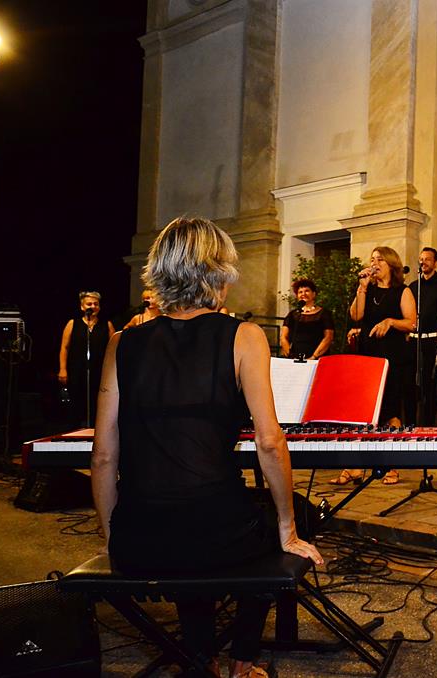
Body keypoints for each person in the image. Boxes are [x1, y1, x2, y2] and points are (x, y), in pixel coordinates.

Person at [90, 217, 323, 678]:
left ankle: (202, 658)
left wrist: (113, 535)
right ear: (218, 272)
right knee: (282, 517)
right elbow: (269, 442)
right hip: (216, 533)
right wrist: (288, 529)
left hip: (140, 538)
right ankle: (243, 660)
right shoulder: (243, 335)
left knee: (190, 522)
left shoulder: (121, 343)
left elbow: (102, 455)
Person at [341, 246, 417, 485]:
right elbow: (356, 315)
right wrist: (362, 288)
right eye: (372, 259)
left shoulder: (402, 291)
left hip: (392, 359)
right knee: (362, 412)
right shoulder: (369, 289)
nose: (374, 264)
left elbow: (411, 323)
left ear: (391, 264)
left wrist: (391, 321)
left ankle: (392, 466)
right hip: (367, 357)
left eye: (380, 259)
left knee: (389, 412)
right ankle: (355, 467)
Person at [409, 247, 437, 426]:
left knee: (429, 386)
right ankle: (411, 425)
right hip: (413, 341)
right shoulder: (413, 287)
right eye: (421, 259)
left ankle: (428, 426)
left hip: (432, 342)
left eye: (427, 259)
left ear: (436, 263)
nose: (423, 262)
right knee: (412, 385)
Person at [59, 291, 116, 427]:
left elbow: (113, 348)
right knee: (76, 402)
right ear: (82, 307)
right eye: (89, 304)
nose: (93, 306)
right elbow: (64, 348)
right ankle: (75, 429)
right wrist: (62, 369)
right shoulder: (73, 323)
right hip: (77, 370)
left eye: (96, 304)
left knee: (97, 401)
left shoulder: (106, 324)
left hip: (99, 370)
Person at [280, 278, 335, 360]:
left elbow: (328, 337)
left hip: (317, 358)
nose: (303, 294)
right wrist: (291, 356)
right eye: (300, 292)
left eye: (307, 291)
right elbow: (283, 337)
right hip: (295, 358)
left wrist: (313, 357)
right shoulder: (292, 315)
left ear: (314, 294)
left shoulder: (324, 314)